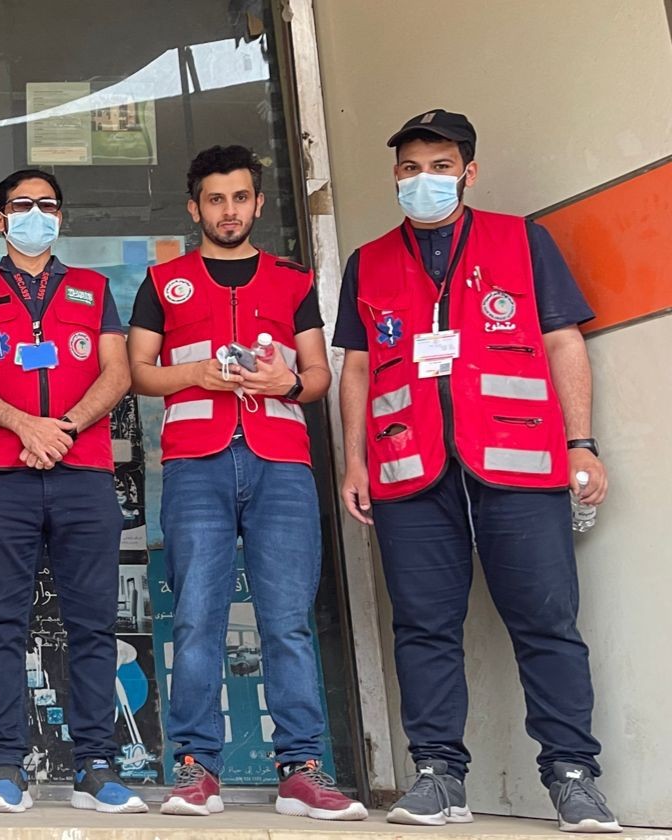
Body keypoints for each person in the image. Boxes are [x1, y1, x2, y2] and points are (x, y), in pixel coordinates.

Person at [335, 110, 620, 834]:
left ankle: (573, 776)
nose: (422, 180)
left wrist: (581, 443)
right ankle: (438, 776)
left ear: (469, 172)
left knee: (547, 620)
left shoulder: (522, 240)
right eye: (409, 168)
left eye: (439, 166)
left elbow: (563, 341)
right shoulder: (368, 261)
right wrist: (354, 460)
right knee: (422, 626)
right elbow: (358, 368)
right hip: (409, 468)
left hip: (519, 463)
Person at [128, 145, 366, 821]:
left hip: (281, 462)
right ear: (194, 208)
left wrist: (287, 382)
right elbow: (138, 371)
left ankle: (303, 770)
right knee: (197, 618)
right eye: (215, 199)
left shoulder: (292, 281)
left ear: (258, 204)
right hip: (195, 462)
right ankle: (196, 769)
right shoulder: (164, 280)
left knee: (287, 622)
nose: (228, 211)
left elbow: (317, 375)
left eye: (239, 198)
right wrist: (195, 375)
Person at [0, 168, 144, 815]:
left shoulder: (92, 288)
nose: (37, 215)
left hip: (83, 475)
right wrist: (24, 425)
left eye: (48, 205)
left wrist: (65, 428)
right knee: (4, 623)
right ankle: (8, 767)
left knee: (92, 624)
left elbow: (117, 372)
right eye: (23, 205)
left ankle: (96, 766)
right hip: (2, 476)